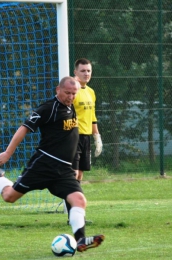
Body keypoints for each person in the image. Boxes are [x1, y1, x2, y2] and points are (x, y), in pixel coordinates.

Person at [0, 76, 104, 252]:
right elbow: (24, 128)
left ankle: (80, 239)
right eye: (67, 93)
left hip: (64, 170)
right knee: (10, 197)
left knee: (79, 199)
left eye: (74, 93)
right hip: (43, 165)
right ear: (57, 90)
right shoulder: (47, 108)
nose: (71, 97)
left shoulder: (70, 106)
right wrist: (8, 153)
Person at [64, 58, 103, 224]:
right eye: (83, 71)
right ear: (75, 72)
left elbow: (92, 117)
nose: (86, 74)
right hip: (73, 137)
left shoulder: (91, 92)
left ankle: (76, 212)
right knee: (72, 174)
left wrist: (97, 137)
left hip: (86, 137)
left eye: (88, 71)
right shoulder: (73, 91)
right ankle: (73, 215)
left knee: (79, 175)